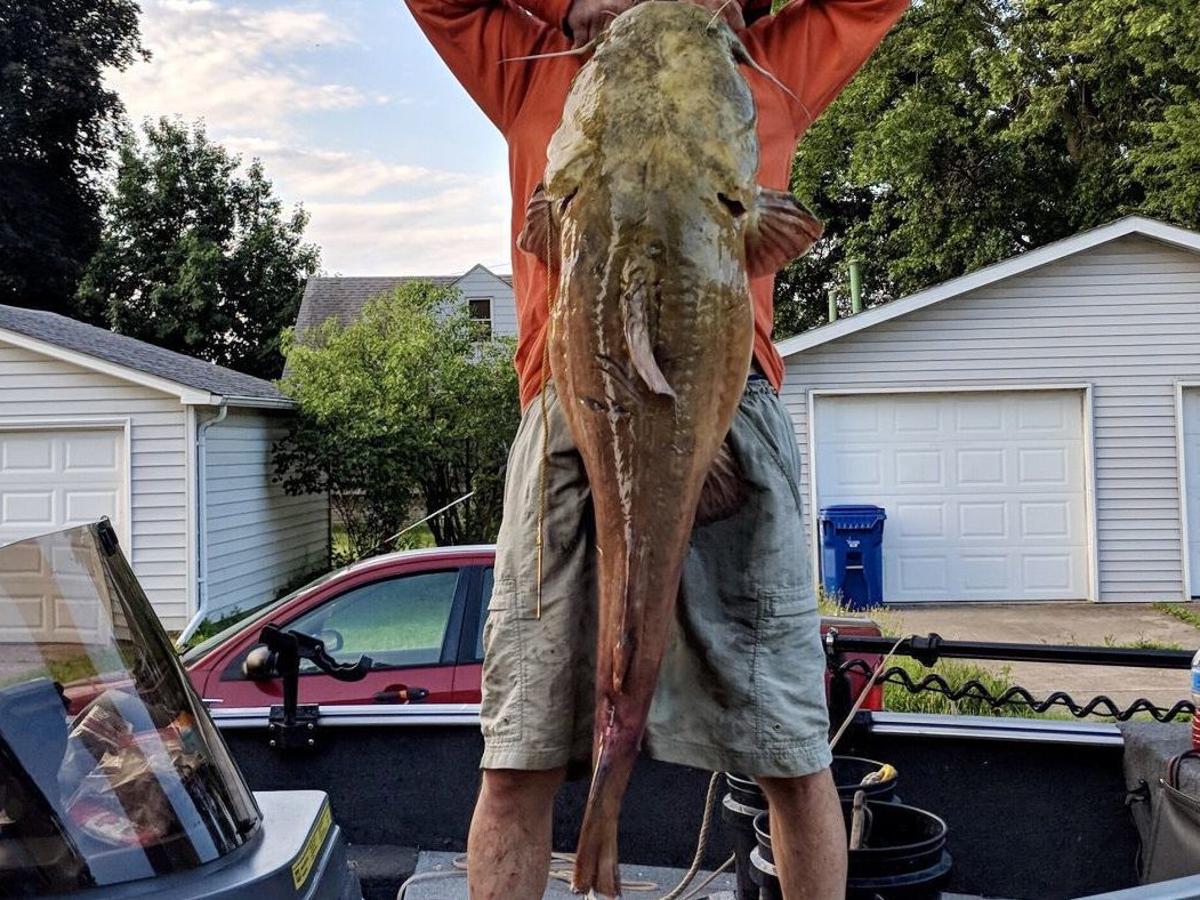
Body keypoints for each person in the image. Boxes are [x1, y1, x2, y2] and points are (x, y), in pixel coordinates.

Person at [404, 0, 909, 896]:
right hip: (569, 404)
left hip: (728, 411)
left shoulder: (757, 55)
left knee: (792, 753)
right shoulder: (539, 54)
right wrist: (568, 8)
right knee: (518, 752)